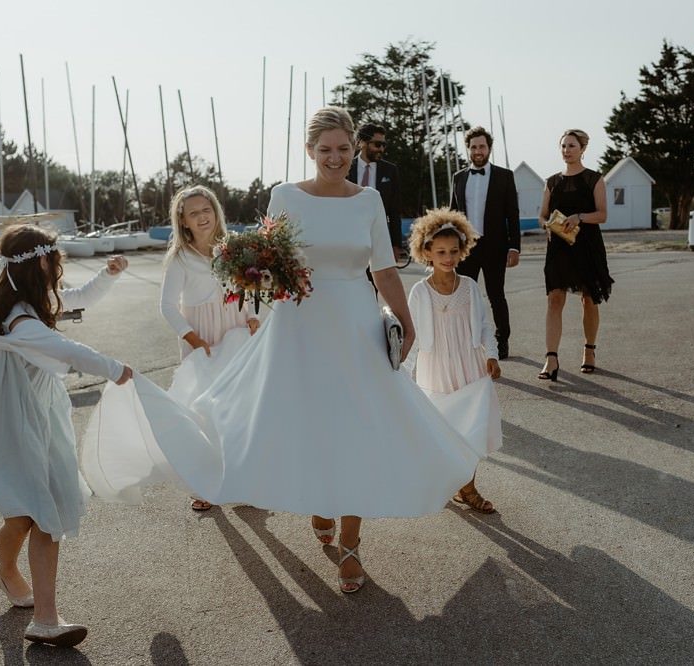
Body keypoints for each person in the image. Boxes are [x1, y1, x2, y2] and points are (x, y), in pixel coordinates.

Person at [82, 107, 482, 594]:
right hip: (300, 326)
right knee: (310, 423)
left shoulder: (370, 200)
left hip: (356, 325)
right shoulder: (285, 196)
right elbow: (267, 264)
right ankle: (320, 501)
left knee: (359, 425)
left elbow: (384, 268)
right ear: (309, 151)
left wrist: (405, 318)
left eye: (342, 148)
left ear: (354, 148)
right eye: (324, 149)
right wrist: (257, 279)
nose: (334, 158)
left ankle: (351, 544)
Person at [0, 225, 132, 647]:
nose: (59, 266)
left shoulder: (31, 304)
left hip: (31, 414)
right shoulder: (15, 319)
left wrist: (108, 275)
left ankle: (27, 597)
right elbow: (66, 350)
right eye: (55, 258)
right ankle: (27, 597)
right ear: (39, 262)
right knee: (32, 512)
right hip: (1, 421)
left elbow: (80, 298)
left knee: (33, 512)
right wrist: (114, 368)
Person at [160, 185, 259, 510]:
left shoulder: (231, 248)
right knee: (202, 411)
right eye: (194, 213)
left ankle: (240, 480)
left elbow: (249, 287)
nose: (202, 217)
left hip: (236, 331)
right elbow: (168, 306)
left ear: (216, 212)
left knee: (238, 408)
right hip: (202, 337)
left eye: (207, 210)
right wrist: (193, 338)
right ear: (183, 221)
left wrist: (253, 317)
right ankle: (204, 484)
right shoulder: (180, 258)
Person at [405, 208, 503, 513]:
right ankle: (451, 483)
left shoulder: (471, 287)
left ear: (463, 251)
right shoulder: (420, 292)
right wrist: (403, 373)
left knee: (470, 429)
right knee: (443, 429)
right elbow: (413, 335)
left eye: (453, 251)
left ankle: (468, 488)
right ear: (427, 252)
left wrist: (491, 354)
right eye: (441, 252)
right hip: (437, 369)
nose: (448, 257)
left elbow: (485, 326)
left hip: (469, 365)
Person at [538, 129, 612, 381]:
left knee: (588, 300)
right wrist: (547, 225)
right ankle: (551, 358)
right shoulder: (551, 182)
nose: (566, 150)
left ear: (582, 149)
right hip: (558, 247)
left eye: (571, 145)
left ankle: (589, 350)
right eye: (563, 146)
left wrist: (578, 216)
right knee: (554, 300)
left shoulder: (594, 179)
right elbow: (542, 214)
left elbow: (602, 214)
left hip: (587, 246)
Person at [449, 126, 520, 359]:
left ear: (489, 148)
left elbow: (513, 214)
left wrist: (514, 246)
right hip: (466, 247)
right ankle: (467, 340)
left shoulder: (504, 176)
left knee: (495, 294)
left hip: (495, 246)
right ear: (468, 149)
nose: (478, 151)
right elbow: (452, 214)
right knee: (464, 296)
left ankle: (502, 341)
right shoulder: (458, 177)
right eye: (473, 147)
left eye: (482, 146)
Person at [349, 123, 404, 263]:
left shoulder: (390, 171)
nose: (381, 149)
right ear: (362, 143)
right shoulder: (346, 167)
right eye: (377, 144)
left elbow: (394, 210)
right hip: (349, 238)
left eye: (384, 145)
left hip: (379, 239)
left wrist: (396, 245)